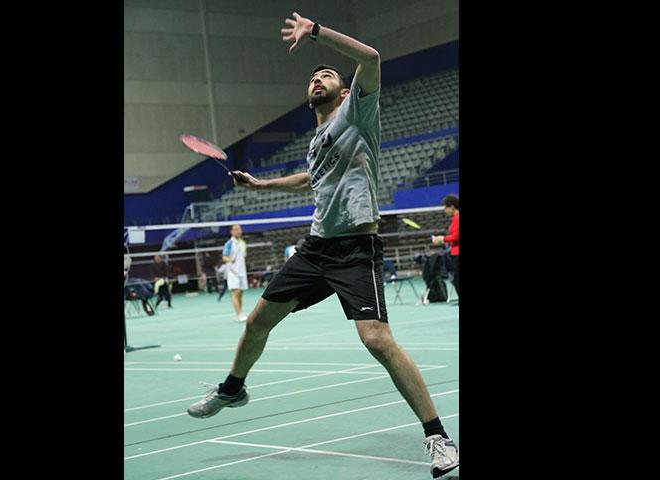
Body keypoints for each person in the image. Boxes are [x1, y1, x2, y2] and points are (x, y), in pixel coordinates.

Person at [186, 12, 458, 477]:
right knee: (257, 320)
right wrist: (260, 184)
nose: (318, 78)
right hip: (317, 247)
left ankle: (438, 436)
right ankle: (233, 387)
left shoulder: (358, 113)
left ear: (346, 91)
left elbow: (371, 56)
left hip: (356, 249)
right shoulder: (317, 141)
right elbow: (308, 179)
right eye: (313, 77)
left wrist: (315, 33)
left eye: (326, 74)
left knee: (376, 339)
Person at [431, 194, 458, 301]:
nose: (444, 210)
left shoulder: (457, 218)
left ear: (452, 207)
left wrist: (442, 238)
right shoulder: (455, 219)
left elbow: (456, 236)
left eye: (445, 208)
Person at [222, 224, 249, 322]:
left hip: (242, 272)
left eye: (240, 229)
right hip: (233, 272)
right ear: (231, 232)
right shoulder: (229, 243)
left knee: (240, 293)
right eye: (236, 229)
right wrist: (230, 260)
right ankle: (239, 315)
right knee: (236, 292)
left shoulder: (242, 243)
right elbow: (224, 257)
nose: (239, 231)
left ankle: (240, 313)